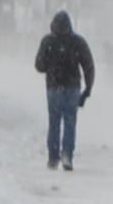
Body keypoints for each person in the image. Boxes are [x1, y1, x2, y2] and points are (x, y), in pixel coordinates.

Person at [32, 9, 94, 170]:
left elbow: (39, 65)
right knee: (70, 122)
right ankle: (67, 155)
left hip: (54, 86)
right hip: (73, 87)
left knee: (54, 122)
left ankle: (53, 158)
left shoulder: (48, 41)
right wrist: (87, 89)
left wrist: (51, 65)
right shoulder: (78, 41)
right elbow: (88, 66)